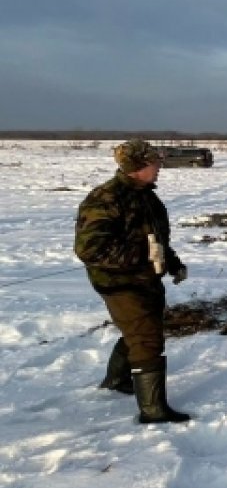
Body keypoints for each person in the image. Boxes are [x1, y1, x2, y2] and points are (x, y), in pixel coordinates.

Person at [74, 139, 190, 423]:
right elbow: (89, 249)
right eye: (154, 162)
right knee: (147, 338)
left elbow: (156, 239)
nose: (159, 166)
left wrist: (172, 263)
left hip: (146, 278)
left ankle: (117, 379)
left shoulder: (146, 196)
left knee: (142, 328)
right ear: (136, 167)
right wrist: (141, 256)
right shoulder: (106, 199)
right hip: (119, 283)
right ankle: (153, 410)